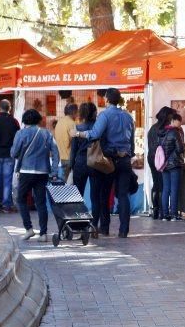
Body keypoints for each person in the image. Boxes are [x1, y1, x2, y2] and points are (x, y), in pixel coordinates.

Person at [72, 87, 135, 238]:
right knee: (123, 195)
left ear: (106, 99)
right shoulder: (128, 117)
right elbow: (132, 142)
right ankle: (123, 230)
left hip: (108, 160)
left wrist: (79, 133)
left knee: (104, 194)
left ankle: (104, 227)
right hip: (125, 159)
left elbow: (95, 134)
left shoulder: (105, 115)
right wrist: (128, 153)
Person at [10, 109, 59, 242]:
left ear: (25, 120)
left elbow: (14, 153)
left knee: (21, 199)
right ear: (39, 120)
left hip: (26, 171)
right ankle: (43, 234)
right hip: (43, 172)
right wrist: (54, 171)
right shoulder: (46, 133)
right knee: (41, 202)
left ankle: (29, 229)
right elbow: (55, 152)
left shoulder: (20, 133)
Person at [70, 102, 105, 234]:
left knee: (78, 196)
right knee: (95, 197)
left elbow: (73, 151)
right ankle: (94, 226)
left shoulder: (78, 128)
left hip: (80, 163)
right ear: (95, 113)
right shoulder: (98, 129)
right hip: (95, 163)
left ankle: (78, 225)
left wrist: (71, 167)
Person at [147, 107, 175, 220]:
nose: (172, 118)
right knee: (163, 185)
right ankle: (163, 211)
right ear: (167, 116)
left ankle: (155, 210)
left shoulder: (153, 128)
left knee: (156, 183)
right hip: (162, 160)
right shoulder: (166, 129)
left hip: (152, 158)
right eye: (171, 116)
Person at [159, 113, 185, 221]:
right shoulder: (175, 132)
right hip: (174, 164)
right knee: (174, 189)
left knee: (166, 189)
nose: (180, 124)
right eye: (179, 121)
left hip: (164, 164)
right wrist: (184, 145)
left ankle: (165, 214)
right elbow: (180, 149)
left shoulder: (162, 132)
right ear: (174, 120)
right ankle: (174, 214)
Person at [54, 103, 78, 182]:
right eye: (77, 113)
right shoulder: (72, 123)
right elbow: (75, 141)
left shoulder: (59, 123)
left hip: (62, 157)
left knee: (66, 183)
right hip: (71, 158)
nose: (77, 115)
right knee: (72, 185)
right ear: (74, 112)